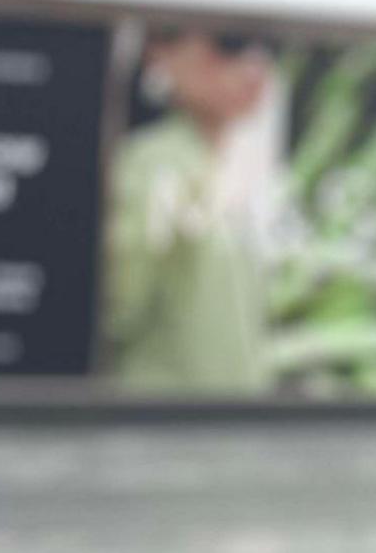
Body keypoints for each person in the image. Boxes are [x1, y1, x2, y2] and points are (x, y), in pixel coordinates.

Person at [104, 28, 277, 393]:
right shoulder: (151, 163)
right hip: (165, 428)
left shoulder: (237, 164)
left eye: (268, 50)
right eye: (229, 44)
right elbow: (115, 306)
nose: (254, 66)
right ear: (159, 54)